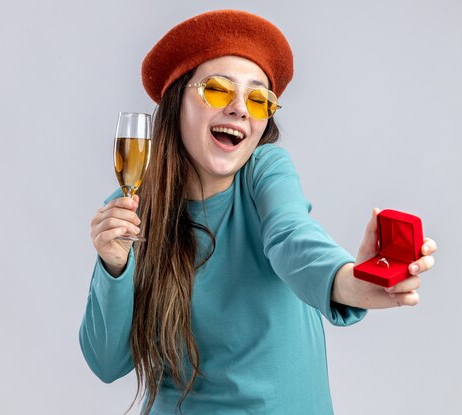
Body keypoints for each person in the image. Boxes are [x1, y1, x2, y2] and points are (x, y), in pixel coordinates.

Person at [80, 9, 437, 415]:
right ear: (177, 101)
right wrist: (113, 266)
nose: (239, 109)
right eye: (217, 90)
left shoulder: (265, 172)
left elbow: (291, 237)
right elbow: (107, 363)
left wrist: (349, 282)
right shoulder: (134, 208)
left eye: (257, 98)